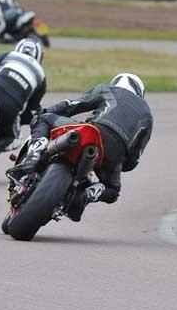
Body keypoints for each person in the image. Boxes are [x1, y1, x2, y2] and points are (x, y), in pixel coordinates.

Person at [9, 73, 153, 222]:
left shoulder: (108, 89)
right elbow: (133, 160)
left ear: (116, 82)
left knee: (44, 119)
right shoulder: (147, 115)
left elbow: (72, 105)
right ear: (140, 92)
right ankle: (86, 195)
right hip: (115, 154)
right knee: (113, 191)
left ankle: (33, 157)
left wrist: (44, 112)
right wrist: (118, 164)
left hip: (93, 131)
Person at [0, 39, 46, 168]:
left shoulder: (8, 55)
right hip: (10, 109)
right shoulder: (41, 75)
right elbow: (31, 113)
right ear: (39, 55)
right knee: (15, 138)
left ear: (18, 48)